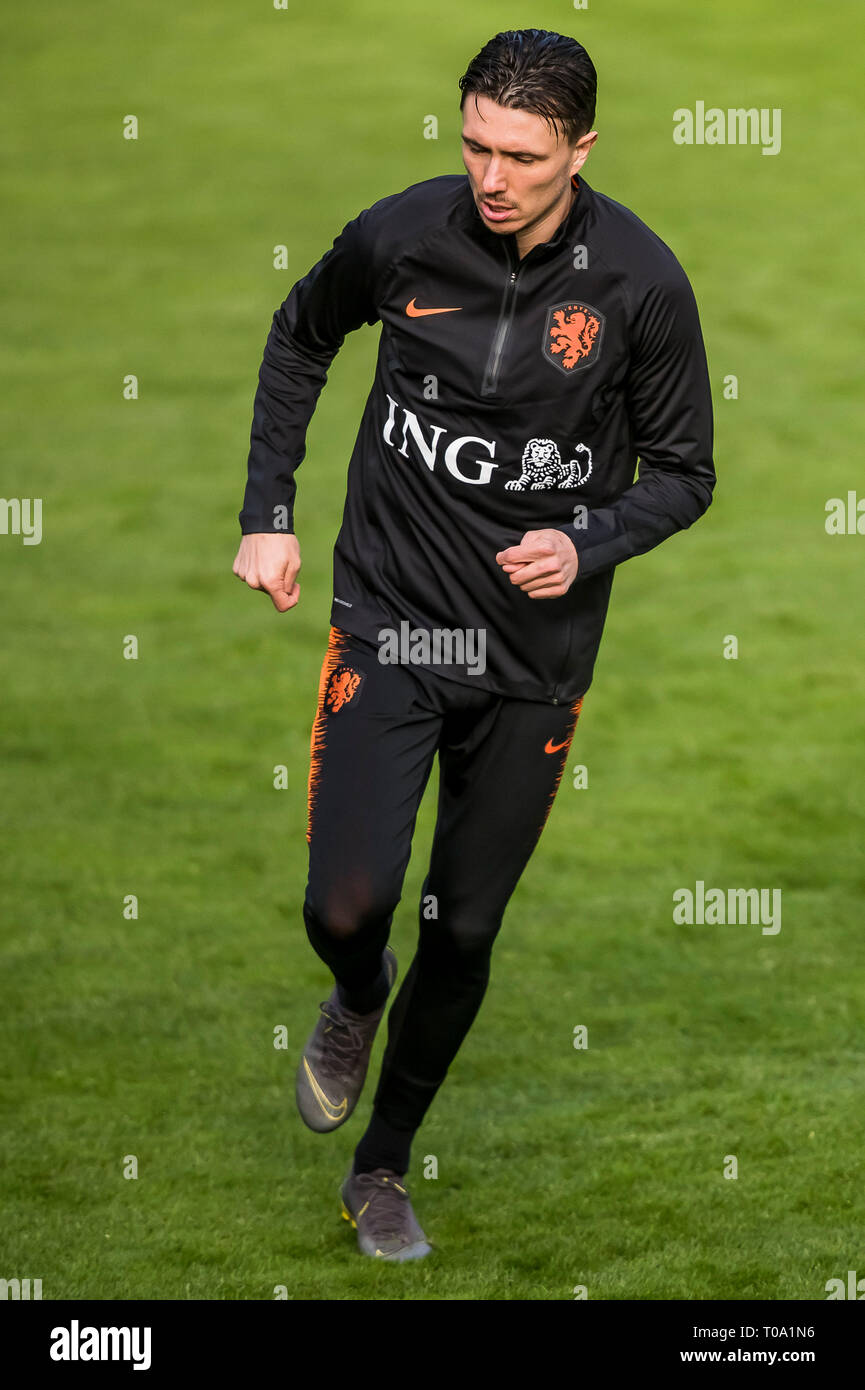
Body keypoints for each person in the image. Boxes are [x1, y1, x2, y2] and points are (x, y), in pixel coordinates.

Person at [232, 27, 715, 1262]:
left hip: (532, 659)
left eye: (521, 155)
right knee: (349, 902)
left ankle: (381, 1167)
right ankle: (353, 994)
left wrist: (590, 539)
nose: (490, 177)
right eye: (473, 145)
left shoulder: (640, 287)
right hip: (393, 618)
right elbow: (300, 337)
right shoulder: (405, 235)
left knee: (462, 929)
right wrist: (268, 514)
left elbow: (686, 474)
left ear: (581, 150)